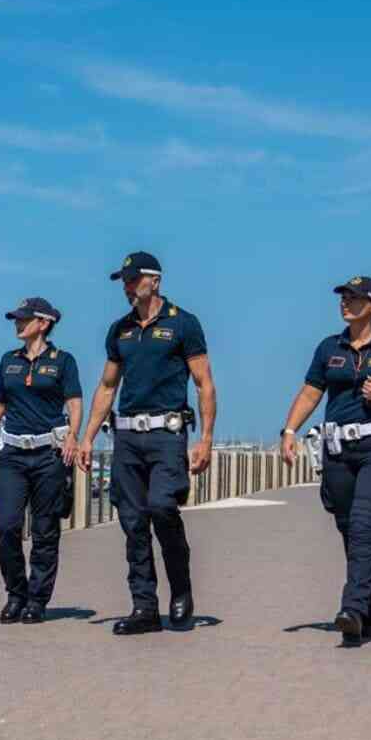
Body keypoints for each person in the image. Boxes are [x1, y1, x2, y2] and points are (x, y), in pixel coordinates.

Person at [280, 275, 371, 646]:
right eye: (343, 297)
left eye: (354, 298)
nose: (345, 302)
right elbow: (311, 392)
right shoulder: (329, 348)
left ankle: (352, 609)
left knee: (364, 524)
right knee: (350, 529)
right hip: (338, 452)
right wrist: (290, 432)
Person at [78, 252, 217, 635]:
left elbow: (204, 382)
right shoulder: (119, 330)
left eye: (133, 279)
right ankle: (144, 607)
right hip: (126, 437)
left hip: (167, 435)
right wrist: (87, 437)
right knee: (132, 520)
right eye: (123, 280)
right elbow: (107, 386)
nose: (127, 286)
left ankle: (181, 589)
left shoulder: (183, 324)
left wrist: (205, 439)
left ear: (154, 281)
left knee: (162, 508)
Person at [0, 297, 82, 625]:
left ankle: (37, 599)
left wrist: (74, 436)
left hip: (49, 455)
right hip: (13, 455)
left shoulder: (64, 361)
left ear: (43, 323)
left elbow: (74, 403)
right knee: (6, 525)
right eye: (16, 319)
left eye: (23, 319)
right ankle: (16, 593)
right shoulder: (8, 362)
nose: (17, 324)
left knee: (46, 531)